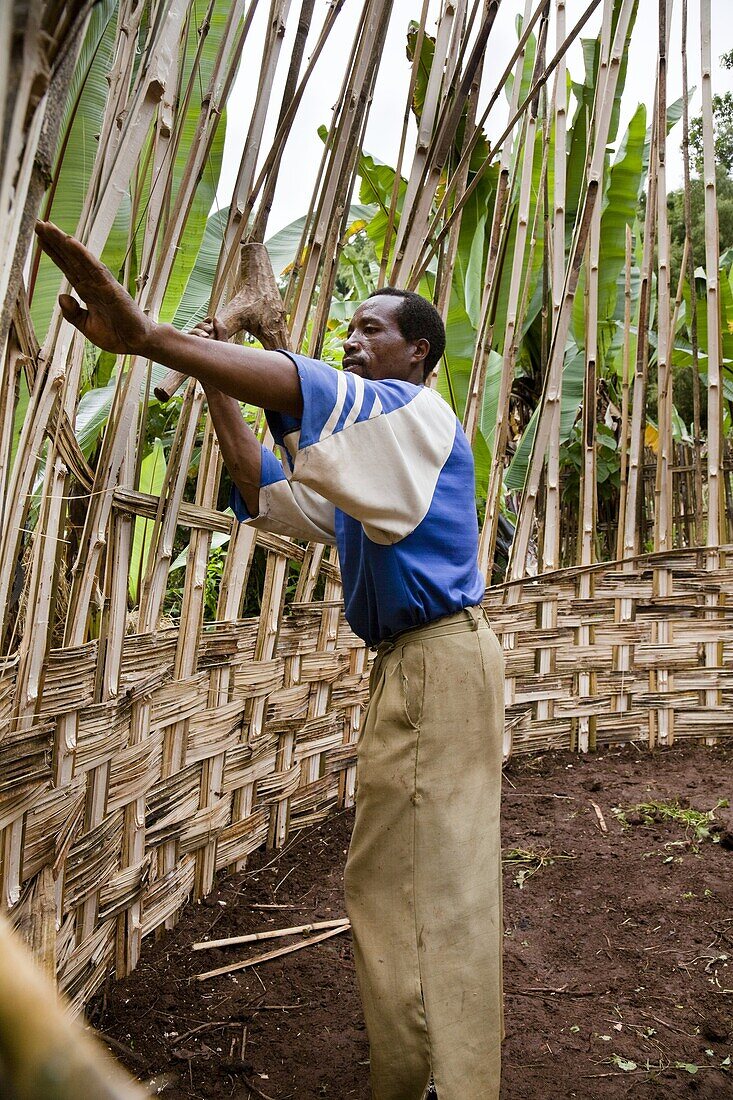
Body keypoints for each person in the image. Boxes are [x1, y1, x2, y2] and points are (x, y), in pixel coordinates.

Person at [35, 221, 505, 1100]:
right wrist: (210, 375)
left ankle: (443, 1083)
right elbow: (264, 491)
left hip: (437, 665)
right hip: (419, 666)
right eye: (350, 330)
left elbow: (305, 387)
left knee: (422, 880)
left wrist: (152, 342)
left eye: (373, 329)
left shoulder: (416, 414)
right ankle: (434, 1073)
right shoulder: (379, 471)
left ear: (418, 355)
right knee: (400, 873)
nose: (353, 341)